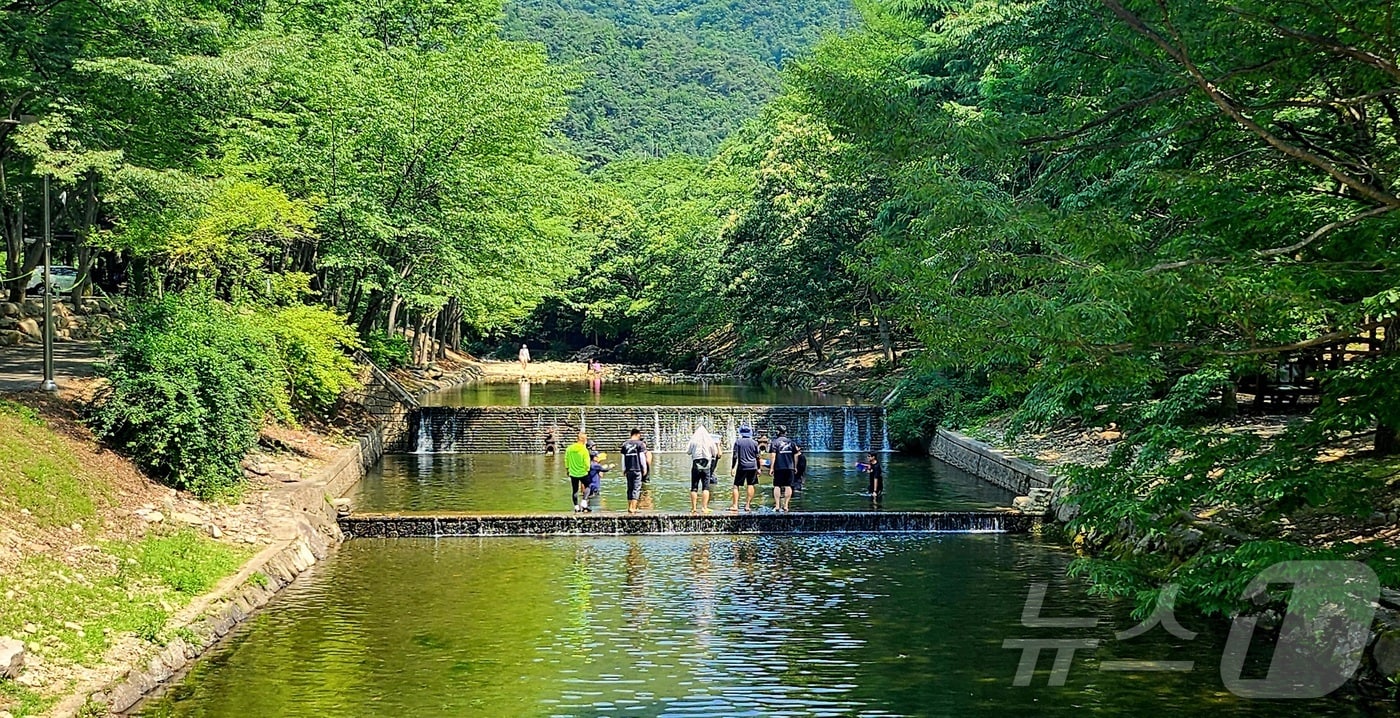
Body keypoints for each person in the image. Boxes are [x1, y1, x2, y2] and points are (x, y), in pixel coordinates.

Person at [686, 426, 718, 513]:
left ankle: (694, 508)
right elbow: (715, 453)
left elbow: (688, 452)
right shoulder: (710, 441)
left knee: (694, 487)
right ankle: (704, 507)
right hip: (706, 465)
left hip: (696, 465)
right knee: (705, 487)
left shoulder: (693, 441)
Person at [767, 426, 799, 512]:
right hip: (790, 467)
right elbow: (796, 455)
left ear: (778, 432)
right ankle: (786, 506)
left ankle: (777, 506)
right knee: (788, 486)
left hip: (779, 467)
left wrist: (771, 467)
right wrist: (795, 466)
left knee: (777, 486)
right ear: (785, 432)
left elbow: (773, 456)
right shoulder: (791, 443)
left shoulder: (774, 442)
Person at [729, 426, 761, 512]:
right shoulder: (754, 443)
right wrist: (759, 468)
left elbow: (735, 456)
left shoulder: (738, 442)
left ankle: (735, 505)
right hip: (753, 466)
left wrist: (733, 467)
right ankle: (747, 505)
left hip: (742, 466)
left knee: (736, 485)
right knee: (750, 484)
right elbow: (758, 457)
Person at [621, 429, 652, 513]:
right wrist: (644, 468)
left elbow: (623, 458)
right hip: (637, 469)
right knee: (636, 488)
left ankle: (629, 506)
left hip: (628, 469)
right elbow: (642, 457)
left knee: (629, 488)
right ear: (637, 434)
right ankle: (633, 508)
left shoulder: (625, 444)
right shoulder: (640, 444)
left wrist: (623, 469)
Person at [566, 432, 591, 512]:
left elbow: (566, 459)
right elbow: (586, 462)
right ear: (584, 440)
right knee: (588, 486)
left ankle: (576, 506)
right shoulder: (584, 450)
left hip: (573, 472)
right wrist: (587, 469)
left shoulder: (569, 448)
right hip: (583, 472)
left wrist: (567, 469)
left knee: (575, 490)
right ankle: (584, 501)